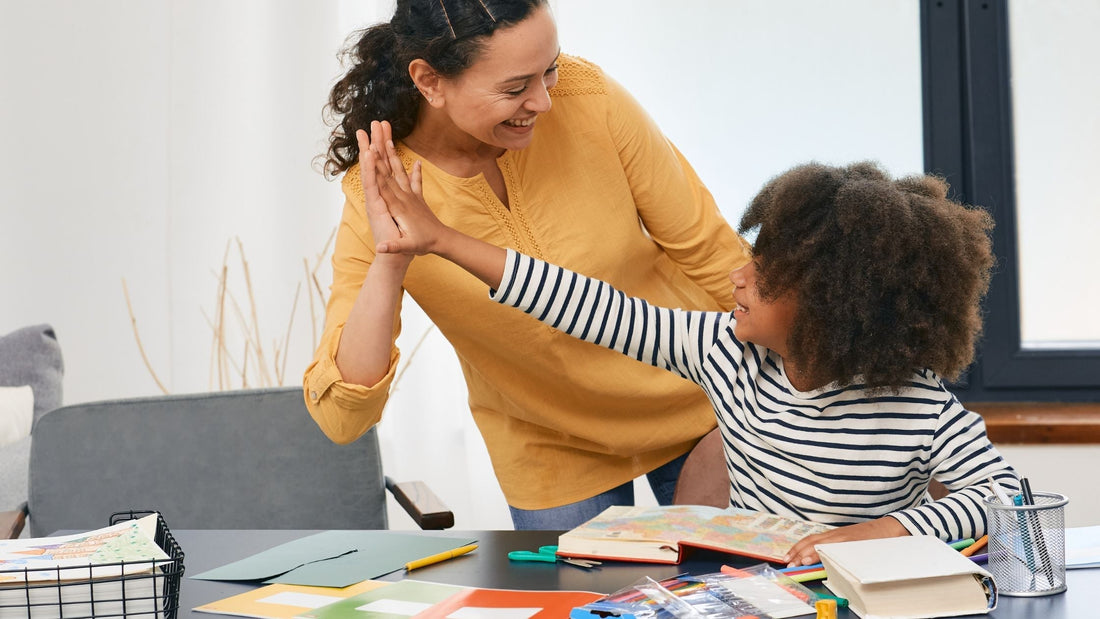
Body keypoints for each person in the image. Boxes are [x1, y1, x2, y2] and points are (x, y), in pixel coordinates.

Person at [361, 145, 1019, 565]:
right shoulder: (725, 352)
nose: (738, 276)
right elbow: (589, 305)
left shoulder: (917, 404)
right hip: (755, 595)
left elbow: (1004, 496)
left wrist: (881, 531)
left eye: (765, 272)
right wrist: (441, 239)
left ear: (832, 305)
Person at [303, 0, 751, 529]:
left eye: (550, 69)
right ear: (429, 81)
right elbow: (342, 417)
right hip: (550, 447)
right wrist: (391, 260)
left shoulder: (588, 98)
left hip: (702, 400)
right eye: (515, 88)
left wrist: (790, 389)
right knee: (579, 589)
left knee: (740, 580)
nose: (543, 101)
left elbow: (711, 251)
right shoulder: (382, 191)